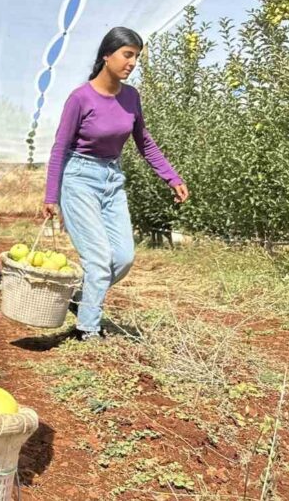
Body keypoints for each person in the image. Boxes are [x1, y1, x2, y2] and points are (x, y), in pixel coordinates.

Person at [42, 26, 189, 341]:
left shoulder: (131, 97)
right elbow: (59, 148)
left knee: (123, 257)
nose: (132, 62)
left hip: (112, 178)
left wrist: (171, 177)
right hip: (78, 178)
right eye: (127, 54)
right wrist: (50, 195)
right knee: (98, 258)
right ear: (106, 55)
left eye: (136, 56)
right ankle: (88, 330)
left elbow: (145, 142)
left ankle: (80, 298)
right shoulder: (80, 98)